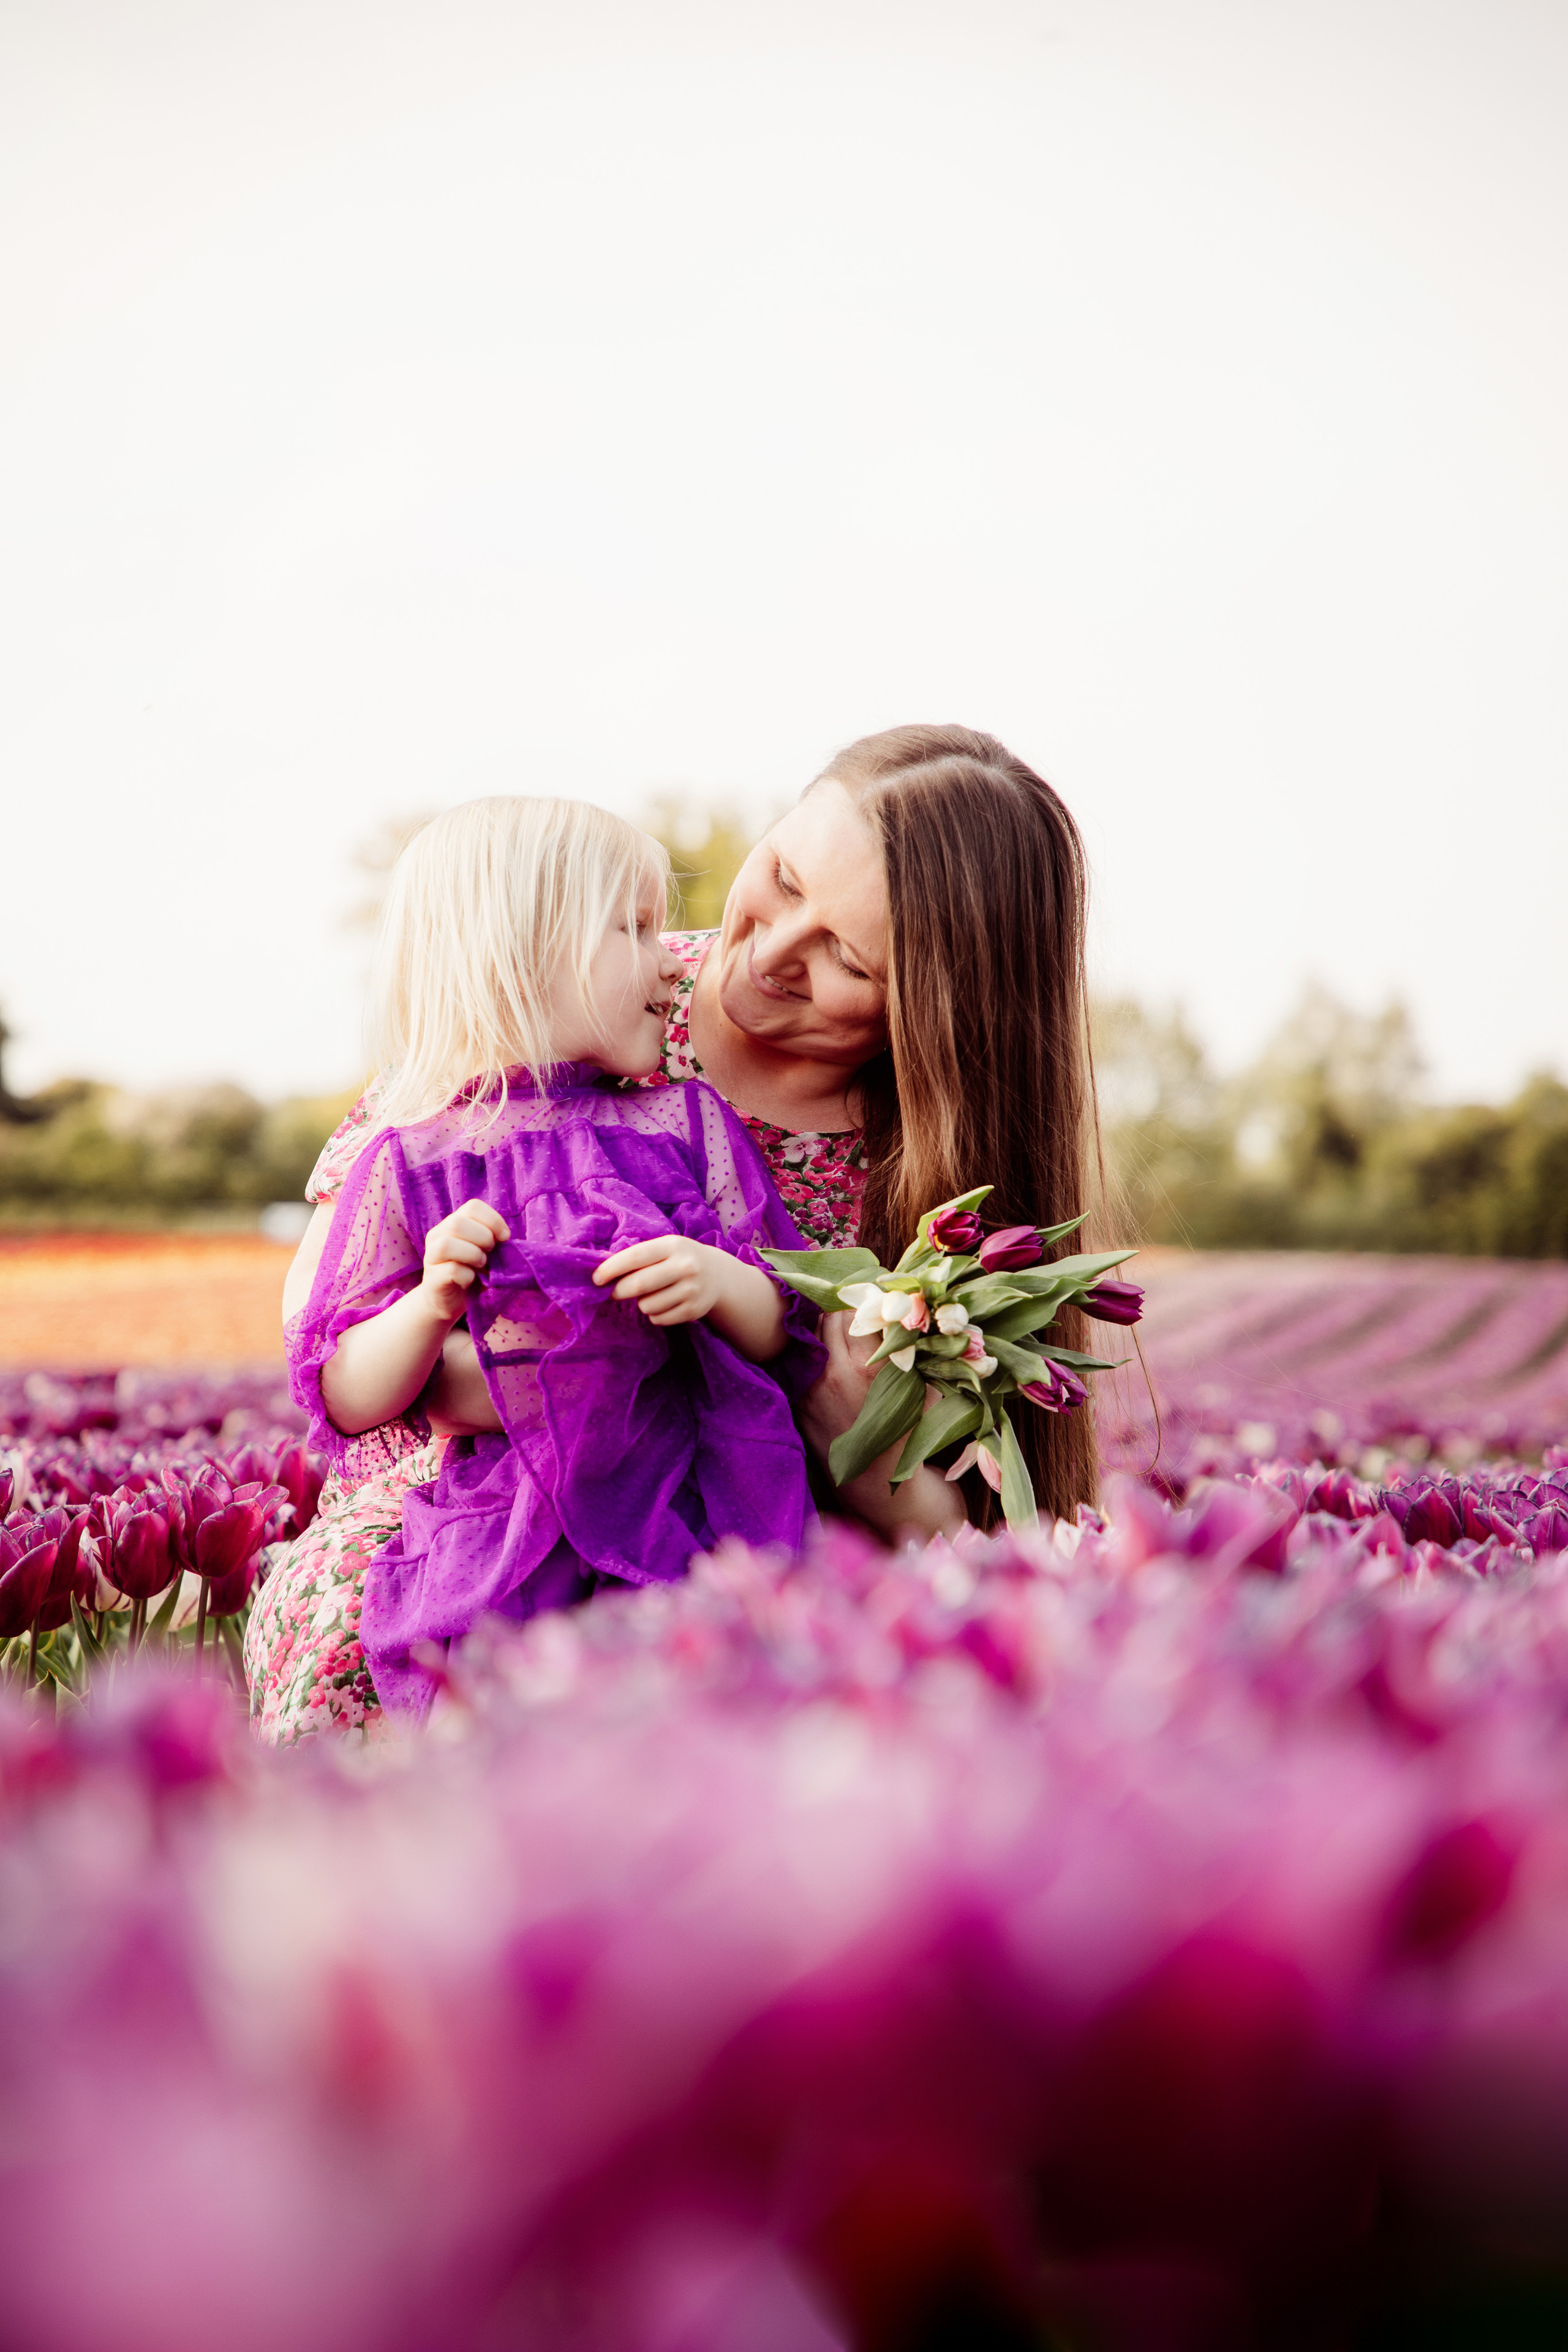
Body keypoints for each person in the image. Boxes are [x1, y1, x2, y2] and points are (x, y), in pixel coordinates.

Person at [246, 723, 1101, 1743]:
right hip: (464, 1514)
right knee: (376, 1676)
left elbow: (965, 1528)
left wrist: (869, 1456)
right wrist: (504, 1365)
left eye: (847, 958)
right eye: (783, 879)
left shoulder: (939, 1177)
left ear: (939, 1010)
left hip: (732, 1538)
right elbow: (331, 1325)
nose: (771, 954)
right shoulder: (571, 979)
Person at [278, 796, 823, 1722]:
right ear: (523, 956)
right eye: (634, 928)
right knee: (485, 1718)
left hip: (698, 1491)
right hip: (509, 1522)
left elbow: (792, 1318)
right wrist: (429, 1305)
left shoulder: (683, 1122)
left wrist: (718, 1281)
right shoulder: (411, 1160)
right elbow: (345, 1390)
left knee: (708, 1711)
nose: (670, 959)